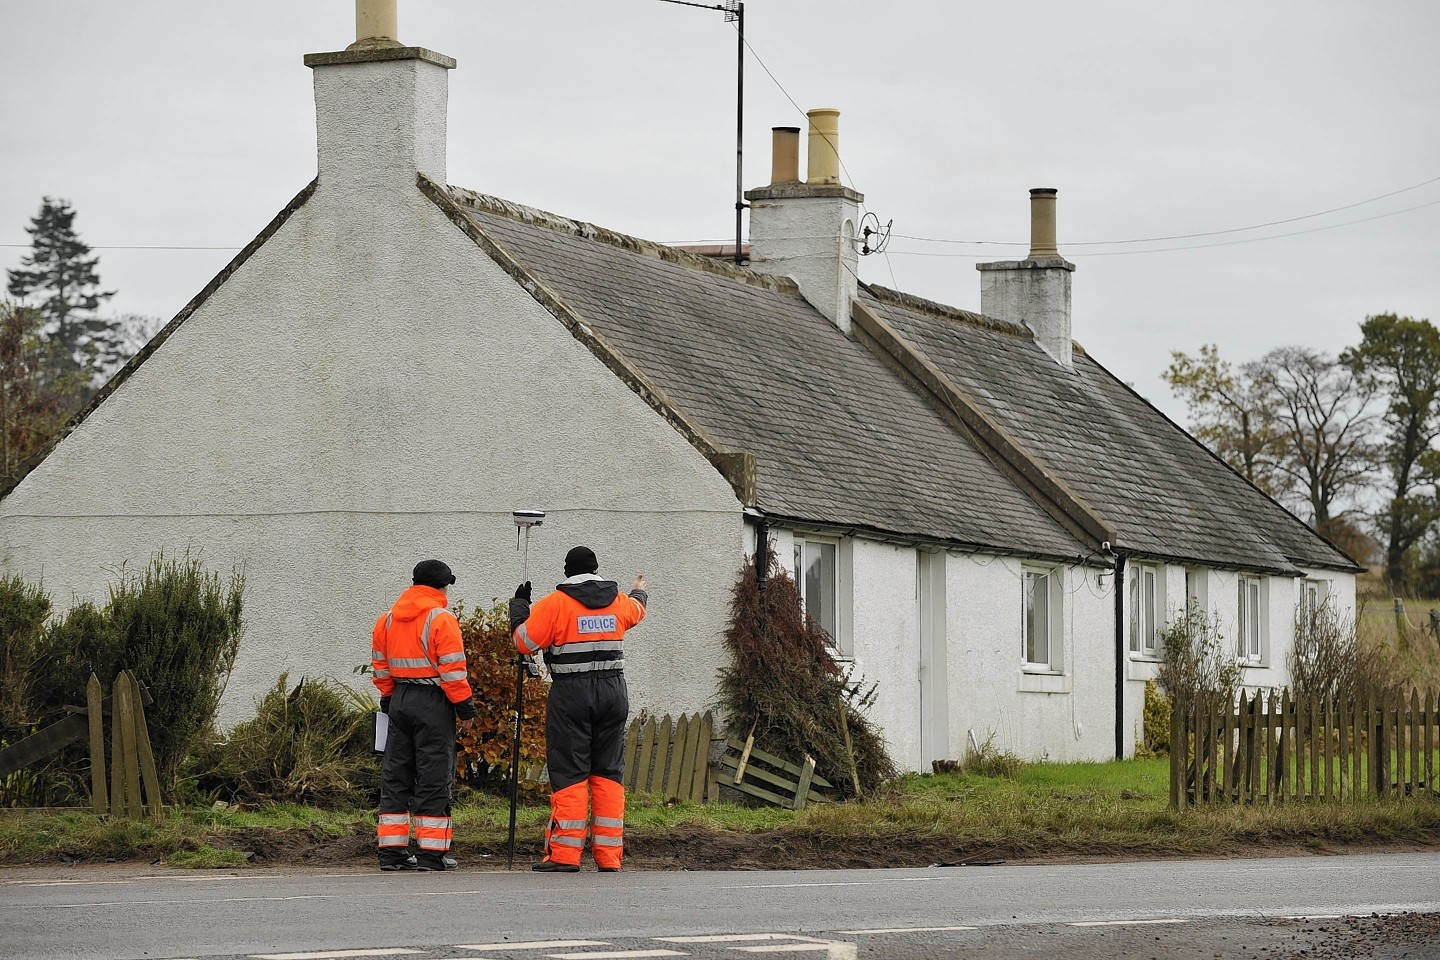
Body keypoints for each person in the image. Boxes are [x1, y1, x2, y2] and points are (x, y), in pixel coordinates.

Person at [510, 545, 647, 873]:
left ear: (567, 571)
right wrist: (639, 591)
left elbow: (523, 642)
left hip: (572, 693)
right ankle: (609, 857)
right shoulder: (617, 601)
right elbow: (637, 611)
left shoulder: (557, 604)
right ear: (597, 570)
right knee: (607, 772)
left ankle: (565, 855)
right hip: (614, 692)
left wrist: (519, 609)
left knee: (571, 770)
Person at [371, 559, 477, 872]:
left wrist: (389, 697)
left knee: (396, 776)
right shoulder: (441, 618)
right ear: (443, 586)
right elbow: (453, 670)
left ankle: (391, 854)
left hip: (400, 698)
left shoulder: (388, 619)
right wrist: (465, 707)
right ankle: (431, 855)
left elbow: (380, 666)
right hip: (433, 702)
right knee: (433, 777)